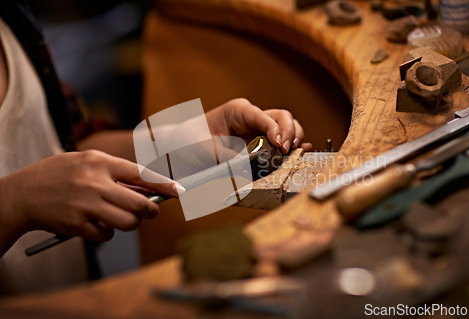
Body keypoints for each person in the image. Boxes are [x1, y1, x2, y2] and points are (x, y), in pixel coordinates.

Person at [0, 1, 311, 294]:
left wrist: (177, 143)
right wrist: (15, 202)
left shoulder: (12, 17)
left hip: (77, 290)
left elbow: (65, 148)